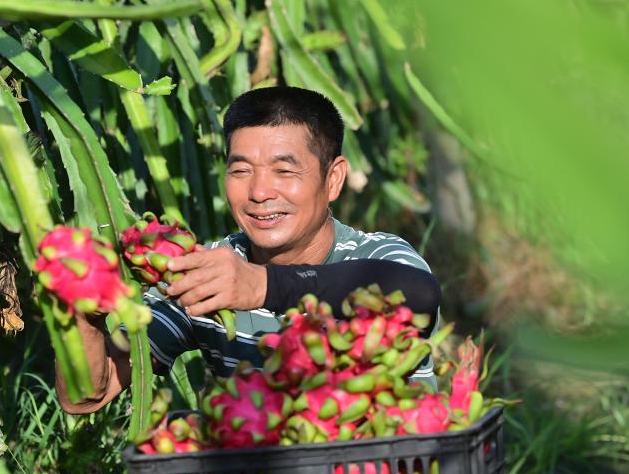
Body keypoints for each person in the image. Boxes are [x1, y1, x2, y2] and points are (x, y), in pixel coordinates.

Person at [56, 86, 441, 414]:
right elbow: (87, 396)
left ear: (333, 179)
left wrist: (262, 285)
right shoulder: (211, 272)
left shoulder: (377, 256)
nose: (259, 192)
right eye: (241, 170)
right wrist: (84, 313)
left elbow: (418, 292)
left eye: (284, 171)